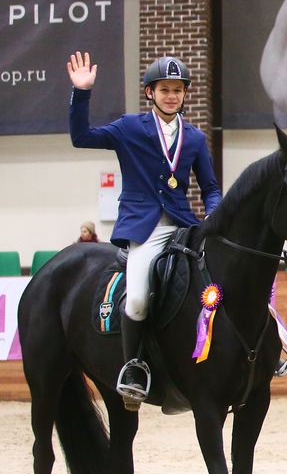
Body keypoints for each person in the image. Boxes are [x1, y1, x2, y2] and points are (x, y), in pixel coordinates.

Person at [67, 51, 222, 407]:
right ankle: (134, 367)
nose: (171, 96)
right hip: (145, 229)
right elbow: (82, 136)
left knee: (221, 281)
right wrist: (82, 92)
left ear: (185, 94)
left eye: (177, 90)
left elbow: (210, 187)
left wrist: (213, 215)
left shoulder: (194, 138)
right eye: (164, 89)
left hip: (184, 226)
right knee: (137, 299)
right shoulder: (129, 128)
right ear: (150, 92)